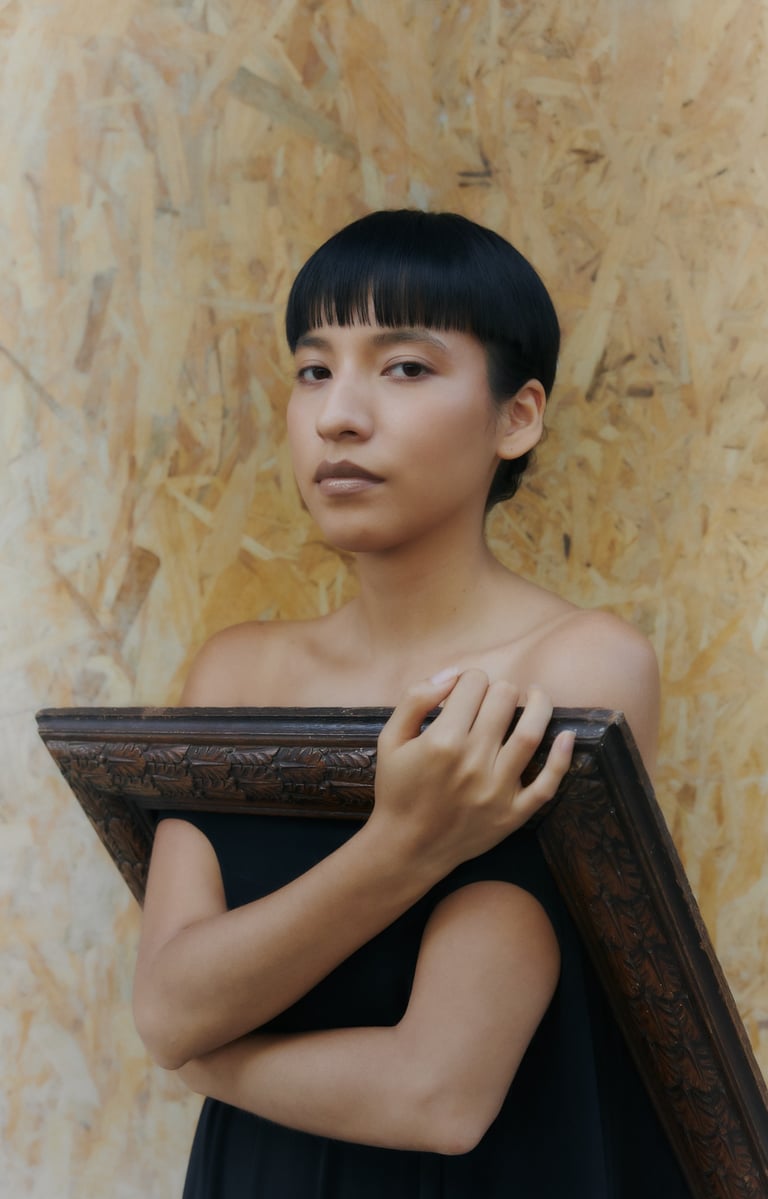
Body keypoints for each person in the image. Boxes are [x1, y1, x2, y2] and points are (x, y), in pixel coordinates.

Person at [133, 210, 691, 1196]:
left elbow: (437, 1092)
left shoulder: (576, 665)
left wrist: (208, 1062)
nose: (339, 416)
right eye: (314, 369)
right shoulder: (238, 673)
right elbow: (168, 1006)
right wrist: (405, 844)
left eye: (404, 367)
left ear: (517, 417)